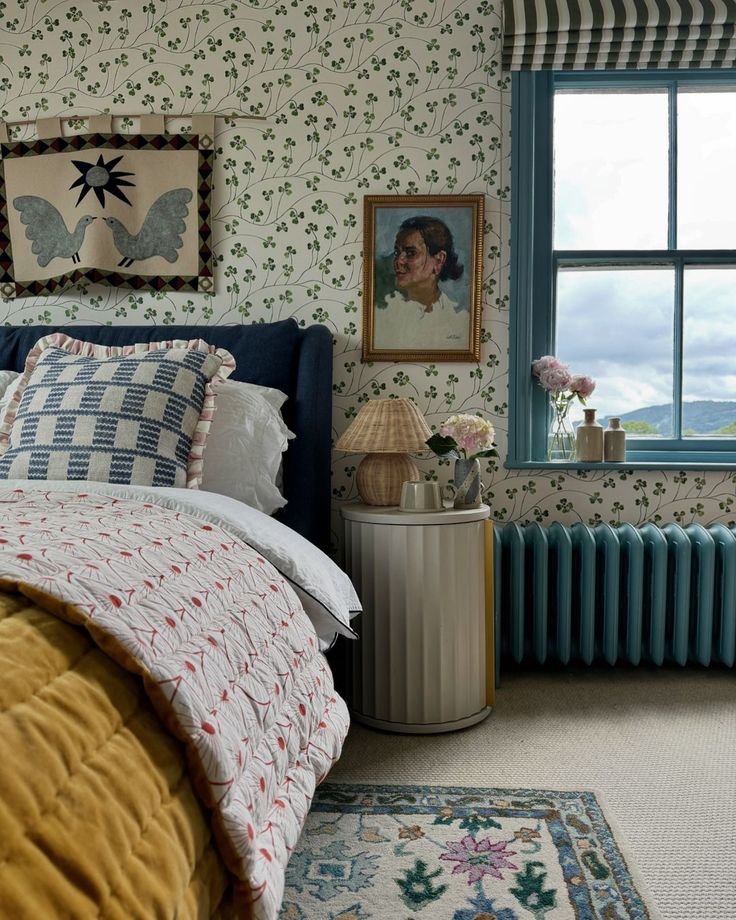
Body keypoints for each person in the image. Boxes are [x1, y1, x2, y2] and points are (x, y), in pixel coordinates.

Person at [373, 215, 469, 351]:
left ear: (439, 260)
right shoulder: (382, 315)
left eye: (411, 253)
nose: (398, 261)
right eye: (397, 252)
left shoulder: (458, 319)